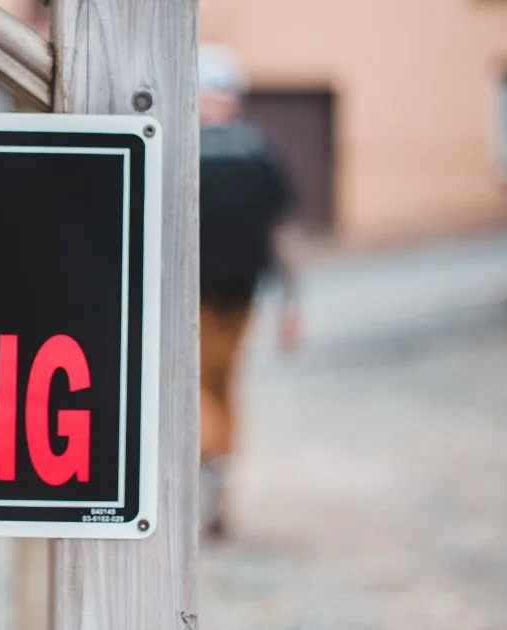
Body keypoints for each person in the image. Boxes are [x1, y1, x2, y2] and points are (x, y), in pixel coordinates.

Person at [197, 44, 301, 538]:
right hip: (237, 291)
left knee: (200, 385)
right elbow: (282, 231)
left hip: (203, 296)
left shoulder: (182, 147)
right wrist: (292, 303)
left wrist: (292, 305)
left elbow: (281, 232)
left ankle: (210, 473)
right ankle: (216, 483)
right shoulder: (259, 150)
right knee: (220, 384)